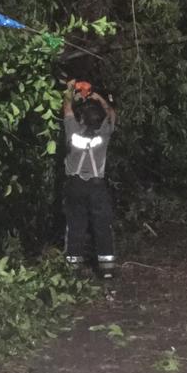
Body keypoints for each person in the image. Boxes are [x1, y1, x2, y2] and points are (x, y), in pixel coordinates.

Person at [61, 80, 117, 277]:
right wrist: (98, 98)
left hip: (75, 186)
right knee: (102, 226)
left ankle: (73, 271)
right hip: (97, 187)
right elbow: (111, 114)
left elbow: (67, 108)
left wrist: (69, 89)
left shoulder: (73, 133)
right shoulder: (104, 135)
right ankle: (107, 269)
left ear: (82, 120)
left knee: (76, 226)